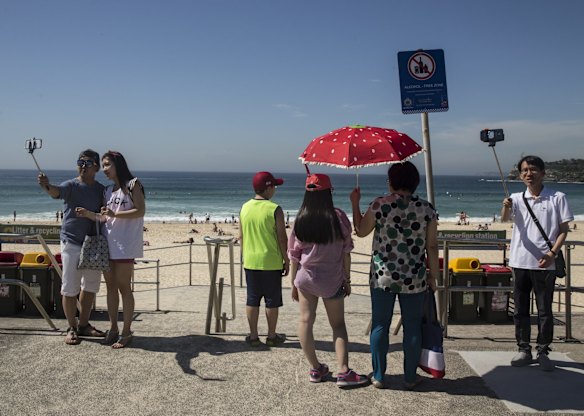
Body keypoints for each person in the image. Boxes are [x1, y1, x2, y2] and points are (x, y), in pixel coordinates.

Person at [350, 162, 439, 389]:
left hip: (383, 276)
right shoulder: (427, 209)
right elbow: (431, 246)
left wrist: (354, 203)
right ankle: (410, 377)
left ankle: (379, 375)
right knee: (412, 326)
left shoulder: (380, 204)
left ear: (391, 181)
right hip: (415, 276)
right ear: (414, 182)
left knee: (380, 324)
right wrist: (434, 276)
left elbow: (360, 231)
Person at [288, 174, 368, 387]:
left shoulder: (301, 219)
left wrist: (292, 284)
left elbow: (294, 254)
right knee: (338, 325)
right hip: (332, 279)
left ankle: (316, 368)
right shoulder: (338, 217)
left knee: (305, 321)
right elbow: (346, 252)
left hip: (305, 278)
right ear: (328, 193)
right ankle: (343, 372)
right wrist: (348, 279)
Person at [501, 155, 573, 371]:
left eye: (532, 169)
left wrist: (552, 253)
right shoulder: (516, 198)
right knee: (520, 309)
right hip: (520, 261)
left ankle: (543, 351)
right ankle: (523, 349)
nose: (528, 174)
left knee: (544, 310)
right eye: (524, 170)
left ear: (543, 172)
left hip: (545, 263)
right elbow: (505, 220)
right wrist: (505, 206)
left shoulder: (557, 197)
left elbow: (563, 231)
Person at [78, 151, 145, 349]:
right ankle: (113, 328)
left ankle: (126, 331)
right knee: (110, 288)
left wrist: (116, 213)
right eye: (103, 165)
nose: (104, 169)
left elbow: (140, 211)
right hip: (108, 245)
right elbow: (106, 218)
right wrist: (90, 214)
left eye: (107, 165)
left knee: (124, 287)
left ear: (118, 164)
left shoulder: (133, 185)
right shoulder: (107, 191)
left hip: (126, 246)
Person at [38, 150, 106, 345]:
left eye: (88, 162)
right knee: (69, 288)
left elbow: (106, 213)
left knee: (90, 287)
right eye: (80, 162)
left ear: (97, 167)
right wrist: (46, 185)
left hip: (93, 243)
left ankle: (84, 324)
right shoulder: (71, 185)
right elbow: (55, 191)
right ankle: (71, 327)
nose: (83, 165)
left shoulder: (101, 190)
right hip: (71, 242)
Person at [239, 171, 289, 347]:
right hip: (270, 260)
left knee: (252, 299)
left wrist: (244, 256)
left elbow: (242, 236)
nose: (275, 189)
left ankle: (253, 336)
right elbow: (282, 238)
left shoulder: (244, 207)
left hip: (251, 260)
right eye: (274, 186)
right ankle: (271, 336)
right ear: (268, 187)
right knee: (271, 300)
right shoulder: (275, 209)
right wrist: (287, 259)